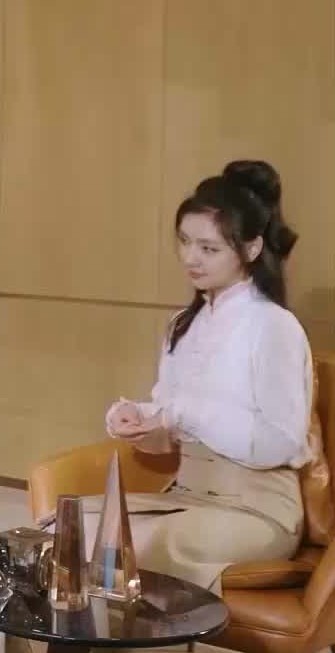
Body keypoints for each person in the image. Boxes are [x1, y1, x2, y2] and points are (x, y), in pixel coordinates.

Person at [105, 159, 312, 595]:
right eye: (184, 241)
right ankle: (74, 647)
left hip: (257, 509)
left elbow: (279, 442)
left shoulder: (274, 326)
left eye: (208, 248)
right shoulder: (183, 324)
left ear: (252, 249)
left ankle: (108, 643)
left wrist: (184, 413)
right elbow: (171, 424)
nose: (190, 258)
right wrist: (137, 417)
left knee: (122, 549)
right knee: (66, 531)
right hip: (188, 495)